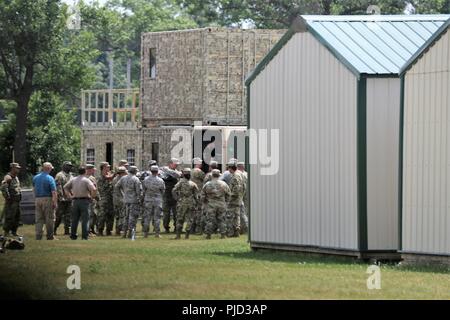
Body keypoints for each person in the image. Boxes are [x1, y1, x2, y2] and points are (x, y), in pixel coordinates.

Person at [64, 166, 97, 240]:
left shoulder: (73, 179)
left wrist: (70, 196)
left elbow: (65, 187)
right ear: (85, 171)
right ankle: (84, 236)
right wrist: (92, 197)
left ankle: (73, 236)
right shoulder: (86, 180)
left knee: (74, 219)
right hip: (84, 201)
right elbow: (94, 189)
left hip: (75, 201)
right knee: (85, 220)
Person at [201, 169, 230, 239]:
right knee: (222, 220)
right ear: (219, 175)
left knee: (210, 220)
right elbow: (228, 194)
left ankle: (208, 235)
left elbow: (202, 196)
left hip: (211, 204)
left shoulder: (207, 184)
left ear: (212, 175)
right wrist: (225, 202)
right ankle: (223, 234)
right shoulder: (224, 184)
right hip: (221, 204)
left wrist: (205, 203)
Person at [32, 162, 58, 240]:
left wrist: (35, 199)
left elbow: (33, 189)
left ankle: (38, 236)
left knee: (39, 219)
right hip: (47, 199)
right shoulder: (50, 178)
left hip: (37, 199)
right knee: (50, 218)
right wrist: (55, 202)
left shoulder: (35, 177)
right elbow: (54, 192)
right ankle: (50, 236)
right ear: (49, 169)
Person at [172, 168, 199, 239]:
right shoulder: (193, 184)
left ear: (183, 174)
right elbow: (196, 196)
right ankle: (187, 235)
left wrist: (177, 198)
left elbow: (174, 190)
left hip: (182, 202)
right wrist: (196, 203)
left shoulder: (180, 183)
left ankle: (178, 235)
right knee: (190, 219)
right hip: (191, 203)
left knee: (180, 218)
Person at [116, 166, 142, 238]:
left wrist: (122, 194)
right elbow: (138, 191)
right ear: (134, 171)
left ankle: (124, 233)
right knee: (133, 217)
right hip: (134, 201)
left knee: (126, 217)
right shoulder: (136, 179)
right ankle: (131, 234)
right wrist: (140, 199)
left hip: (125, 200)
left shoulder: (123, 178)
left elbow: (117, 186)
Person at [142, 165, 165, 238]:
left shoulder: (146, 179)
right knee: (157, 217)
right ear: (157, 171)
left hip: (148, 200)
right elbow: (163, 191)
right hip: (157, 200)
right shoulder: (160, 180)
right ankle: (157, 233)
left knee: (147, 217)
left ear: (150, 171)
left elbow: (144, 190)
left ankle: (145, 233)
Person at [1, 163, 23, 236]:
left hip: (17, 201)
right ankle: (6, 232)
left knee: (17, 217)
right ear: (13, 168)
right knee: (9, 217)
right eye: (17, 168)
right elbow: (3, 187)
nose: (18, 169)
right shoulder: (8, 177)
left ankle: (14, 231)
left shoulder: (16, 177)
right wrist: (7, 197)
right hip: (11, 201)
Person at [161, 158, 181, 233]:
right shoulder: (164, 171)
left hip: (175, 195)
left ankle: (177, 227)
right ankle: (166, 228)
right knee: (166, 213)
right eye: (175, 164)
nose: (176, 165)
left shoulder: (175, 172)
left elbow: (177, 175)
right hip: (166, 195)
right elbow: (173, 175)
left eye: (177, 164)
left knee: (176, 212)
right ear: (170, 164)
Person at [54, 161, 73, 236]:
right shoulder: (59, 175)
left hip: (69, 198)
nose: (70, 167)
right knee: (59, 215)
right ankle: (54, 229)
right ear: (64, 166)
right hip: (62, 199)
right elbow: (58, 187)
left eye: (70, 166)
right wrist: (61, 197)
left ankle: (67, 231)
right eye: (68, 166)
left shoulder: (71, 176)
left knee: (68, 216)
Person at [226, 162, 245, 237]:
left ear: (231, 168)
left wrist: (230, 196)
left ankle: (231, 233)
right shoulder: (240, 174)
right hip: (239, 198)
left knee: (230, 216)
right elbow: (244, 186)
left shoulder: (235, 176)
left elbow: (236, 188)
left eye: (228, 168)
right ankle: (236, 231)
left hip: (234, 199)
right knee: (237, 216)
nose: (228, 169)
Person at [97, 162, 114, 236]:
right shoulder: (101, 177)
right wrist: (115, 174)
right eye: (107, 167)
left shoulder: (109, 175)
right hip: (103, 199)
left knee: (110, 215)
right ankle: (100, 230)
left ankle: (109, 230)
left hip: (110, 198)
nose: (109, 168)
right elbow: (109, 178)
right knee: (102, 215)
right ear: (103, 168)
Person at [190, 157, 205, 234]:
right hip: (199, 193)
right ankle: (198, 229)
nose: (201, 164)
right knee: (199, 211)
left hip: (192, 193)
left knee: (193, 211)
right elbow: (205, 179)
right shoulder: (199, 172)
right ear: (197, 163)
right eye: (200, 163)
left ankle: (191, 228)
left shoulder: (191, 171)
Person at [112, 166, 127, 236]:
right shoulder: (123, 179)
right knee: (122, 215)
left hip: (115, 199)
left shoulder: (114, 179)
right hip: (121, 199)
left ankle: (117, 229)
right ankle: (120, 229)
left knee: (117, 216)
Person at [86, 164, 99, 236]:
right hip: (89, 199)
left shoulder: (92, 177)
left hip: (93, 199)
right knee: (90, 215)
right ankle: (88, 231)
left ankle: (92, 229)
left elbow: (96, 189)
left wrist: (98, 197)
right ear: (89, 169)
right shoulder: (86, 178)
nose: (94, 171)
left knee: (94, 215)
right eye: (93, 169)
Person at [236, 161, 248, 234]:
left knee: (240, 212)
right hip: (246, 194)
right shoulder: (246, 174)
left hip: (240, 194)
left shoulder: (237, 174)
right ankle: (245, 227)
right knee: (245, 211)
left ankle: (241, 227)